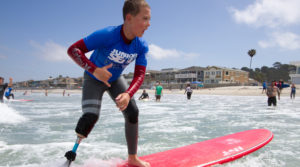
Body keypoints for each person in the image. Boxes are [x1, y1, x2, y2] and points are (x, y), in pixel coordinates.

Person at [66, 0, 151, 166]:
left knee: (132, 112)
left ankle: (132, 158)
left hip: (115, 79)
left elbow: (140, 74)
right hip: (93, 78)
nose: (148, 24)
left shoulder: (141, 45)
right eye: (145, 19)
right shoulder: (107, 35)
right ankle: (70, 156)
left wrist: (128, 94)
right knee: (90, 116)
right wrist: (95, 70)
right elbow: (73, 50)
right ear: (129, 18)